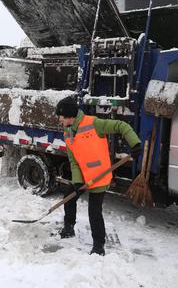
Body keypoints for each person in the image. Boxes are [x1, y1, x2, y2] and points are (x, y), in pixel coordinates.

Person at [56, 96, 142, 256]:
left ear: (69, 115)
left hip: (99, 176)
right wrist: (77, 182)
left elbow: (120, 125)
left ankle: (98, 245)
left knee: (94, 211)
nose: (59, 120)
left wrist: (134, 143)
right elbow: (73, 160)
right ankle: (69, 228)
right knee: (69, 195)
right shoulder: (67, 133)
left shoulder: (94, 123)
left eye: (60, 116)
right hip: (83, 175)